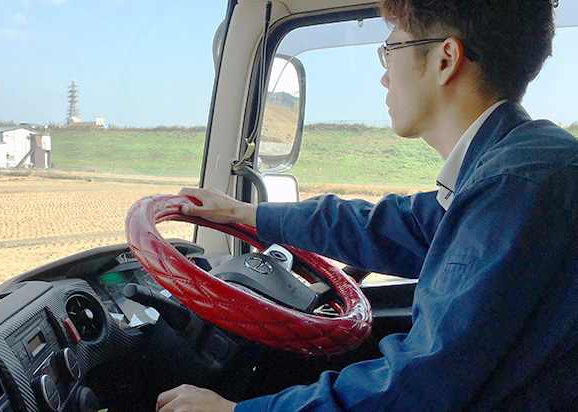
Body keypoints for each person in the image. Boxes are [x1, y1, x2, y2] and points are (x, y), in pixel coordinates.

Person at [156, 0, 578, 410]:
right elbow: (394, 226)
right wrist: (244, 213)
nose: (384, 78)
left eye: (391, 50)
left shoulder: (515, 187)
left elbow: (421, 387)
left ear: (445, 60)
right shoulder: (515, 168)